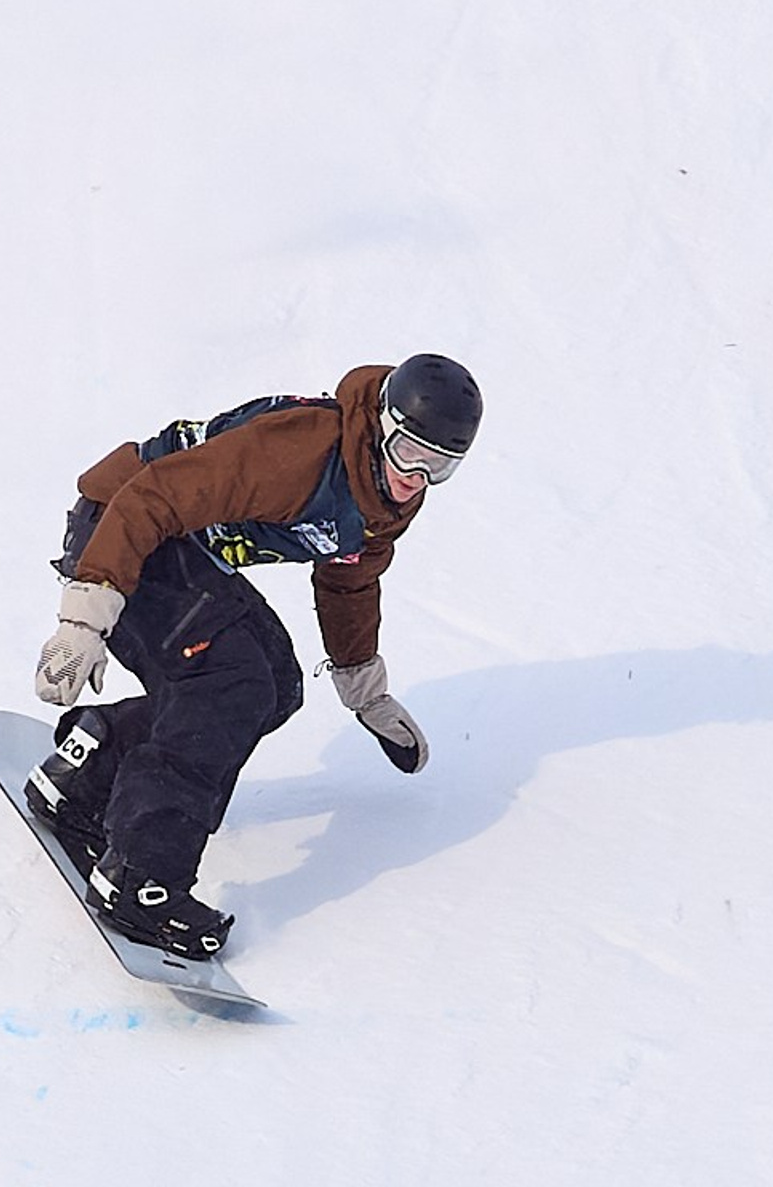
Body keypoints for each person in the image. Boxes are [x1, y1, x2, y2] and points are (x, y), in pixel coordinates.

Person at [26, 353, 482, 959]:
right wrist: (85, 616)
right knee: (227, 687)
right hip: (121, 531)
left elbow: (349, 580)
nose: (415, 477)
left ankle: (89, 770)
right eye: (407, 452)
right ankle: (141, 878)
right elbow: (151, 498)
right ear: (379, 423)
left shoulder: (390, 499)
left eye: (439, 467)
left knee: (275, 682)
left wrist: (364, 688)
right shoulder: (300, 452)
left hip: (184, 552)